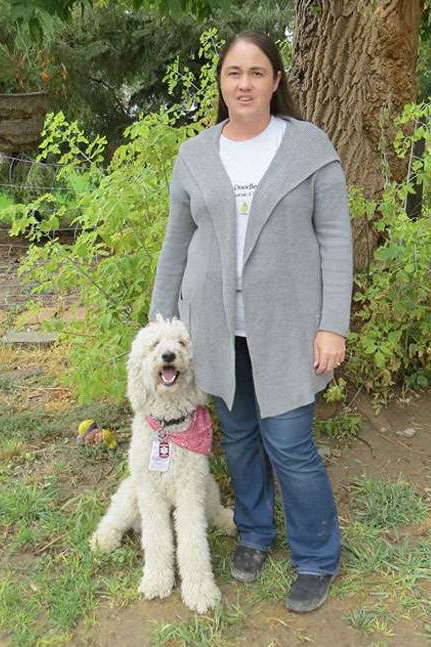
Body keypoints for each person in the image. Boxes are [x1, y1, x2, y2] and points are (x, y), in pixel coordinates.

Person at [148, 29, 352, 613]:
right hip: (212, 328)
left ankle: (316, 557)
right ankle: (255, 533)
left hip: (289, 326)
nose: (245, 84)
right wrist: (160, 326)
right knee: (238, 437)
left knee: (289, 443)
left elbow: (336, 239)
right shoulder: (195, 155)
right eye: (234, 73)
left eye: (257, 72)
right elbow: (176, 244)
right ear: (221, 82)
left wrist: (332, 325)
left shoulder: (308, 148)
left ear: (276, 80)